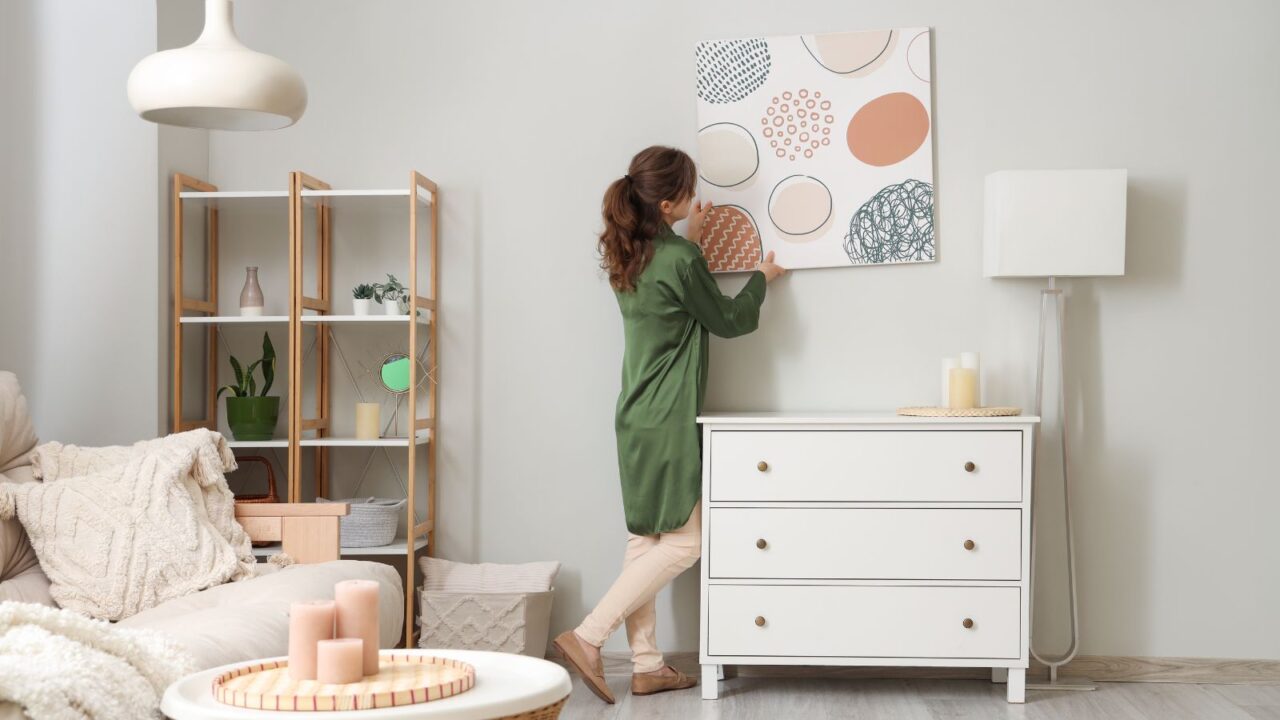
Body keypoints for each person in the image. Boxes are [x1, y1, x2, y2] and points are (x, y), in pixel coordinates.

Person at [553, 145, 786, 703]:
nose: (695, 196)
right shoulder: (680, 258)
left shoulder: (629, 257)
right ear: (669, 201)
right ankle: (588, 637)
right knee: (687, 543)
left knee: (646, 540)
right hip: (666, 419)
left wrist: (690, 239)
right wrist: (762, 277)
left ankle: (649, 665)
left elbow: (670, 295)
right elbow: (728, 320)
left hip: (634, 416)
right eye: (689, 190)